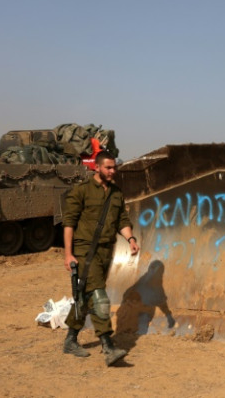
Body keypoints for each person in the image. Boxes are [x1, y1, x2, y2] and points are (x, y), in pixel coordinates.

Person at [62, 150, 140, 366]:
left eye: (114, 167)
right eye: (108, 167)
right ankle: (108, 346)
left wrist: (131, 238)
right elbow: (69, 223)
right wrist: (68, 254)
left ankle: (70, 340)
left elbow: (121, 220)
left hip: (107, 251)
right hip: (85, 250)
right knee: (99, 297)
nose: (113, 171)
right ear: (97, 167)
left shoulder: (116, 193)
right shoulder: (82, 191)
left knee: (86, 297)